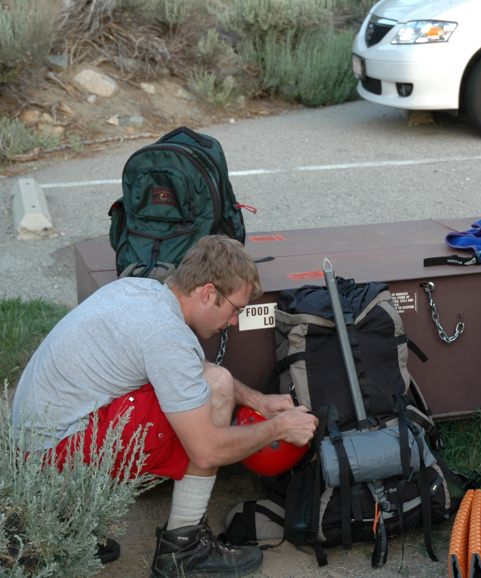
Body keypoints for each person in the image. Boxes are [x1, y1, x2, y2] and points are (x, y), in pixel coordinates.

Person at [12, 235, 319, 576]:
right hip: (54, 458)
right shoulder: (165, 334)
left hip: (35, 450)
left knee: (212, 382)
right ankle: (182, 548)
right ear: (207, 292)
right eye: (235, 310)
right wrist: (279, 427)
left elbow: (189, 369)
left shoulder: (140, 291)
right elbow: (206, 451)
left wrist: (258, 400)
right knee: (212, 396)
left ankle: (68, 518)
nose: (234, 322)